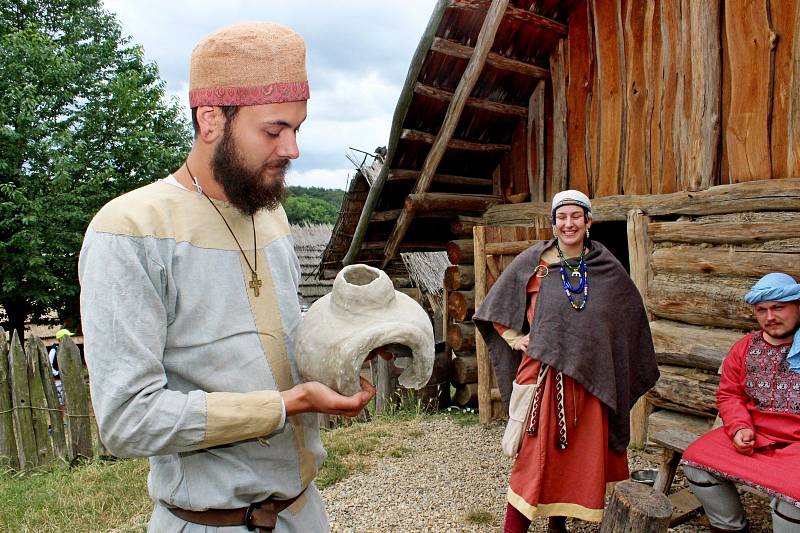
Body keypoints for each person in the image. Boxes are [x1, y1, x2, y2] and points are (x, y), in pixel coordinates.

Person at [78, 22, 376, 533]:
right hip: (208, 523)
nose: (292, 149)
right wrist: (287, 405)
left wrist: (353, 347)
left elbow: (280, 345)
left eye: (297, 128)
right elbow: (127, 421)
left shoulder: (270, 214)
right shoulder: (131, 230)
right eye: (273, 130)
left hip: (305, 513)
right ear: (210, 118)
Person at [473, 190, 659, 533]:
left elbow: (629, 315)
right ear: (554, 222)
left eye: (577, 216)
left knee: (574, 459)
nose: (569, 223)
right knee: (535, 461)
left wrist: (611, 357)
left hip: (592, 379)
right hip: (547, 379)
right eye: (562, 217)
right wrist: (518, 339)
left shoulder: (607, 268)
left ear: (589, 222)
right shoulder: (536, 263)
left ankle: (558, 526)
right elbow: (494, 308)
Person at [681, 272, 800, 533]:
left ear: (797, 306)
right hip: (756, 435)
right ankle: (730, 528)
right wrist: (739, 427)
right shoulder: (745, 348)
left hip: (797, 447)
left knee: (794, 498)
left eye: (779, 307)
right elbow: (730, 395)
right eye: (762, 310)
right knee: (695, 461)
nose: (770, 317)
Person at [47, 328, 73, 405]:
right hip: (58, 380)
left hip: (66, 379)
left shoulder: (68, 349)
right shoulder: (54, 350)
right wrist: (57, 373)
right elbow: (50, 364)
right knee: (60, 401)